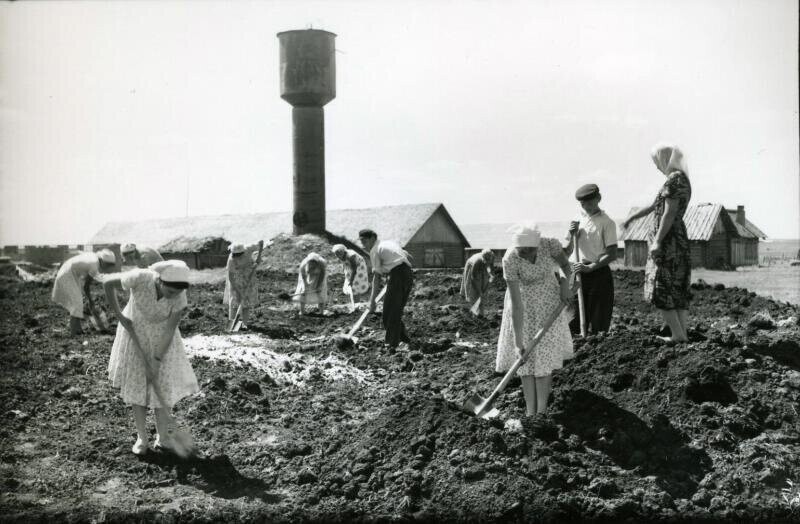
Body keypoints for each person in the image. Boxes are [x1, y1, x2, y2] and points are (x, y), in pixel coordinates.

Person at [103, 260, 200, 455]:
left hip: (163, 341)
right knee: (138, 385)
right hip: (135, 333)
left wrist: (156, 360)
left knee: (162, 387)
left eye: (177, 293)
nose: (174, 296)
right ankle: (142, 437)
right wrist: (121, 317)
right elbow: (107, 283)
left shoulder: (179, 298)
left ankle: (163, 437)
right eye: (170, 292)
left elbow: (170, 329)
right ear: (160, 281)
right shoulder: (139, 277)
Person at [496, 225, 576, 416]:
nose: (523, 254)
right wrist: (517, 343)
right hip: (524, 306)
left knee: (544, 358)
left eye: (527, 251)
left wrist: (565, 284)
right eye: (520, 250)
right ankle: (530, 413)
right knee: (526, 360)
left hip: (549, 303)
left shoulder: (550, 246)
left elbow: (566, 266)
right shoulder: (510, 259)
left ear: (537, 246)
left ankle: (541, 412)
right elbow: (516, 304)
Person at [623, 144, 692, 343]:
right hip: (677, 239)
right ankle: (681, 334)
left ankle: (678, 335)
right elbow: (655, 205)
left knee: (662, 285)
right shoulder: (680, 179)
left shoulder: (674, 180)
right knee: (676, 287)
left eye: (657, 162)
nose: (656, 166)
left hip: (669, 241)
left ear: (665, 159)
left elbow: (669, 213)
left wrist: (657, 242)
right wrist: (632, 217)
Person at [564, 183, 618, 334]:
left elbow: (612, 254)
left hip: (598, 274)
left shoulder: (607, 223)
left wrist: (590, 267)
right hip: (577, 274)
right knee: (573, 320)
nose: (586, 206)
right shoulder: (577, 221)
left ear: (598, 198)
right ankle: (575, 355)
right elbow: (567, 251)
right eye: (583, 203)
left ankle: (595, 354)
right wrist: (572, 235)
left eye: (589, 202)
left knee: (598, 322)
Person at [358, 229, 413, 349]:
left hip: (397, 275)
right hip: (407, 274)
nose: (363, 245)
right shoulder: (388, 243)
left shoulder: (375, 250)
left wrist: (372, 302)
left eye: (365, 241)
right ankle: (405, 340)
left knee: (389, 313)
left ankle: (391, 345)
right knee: (395, 311)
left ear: (372, 238)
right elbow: (405, 254)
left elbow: (376, 279)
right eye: (361, 242)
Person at [52, 249, 117, 335]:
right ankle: (74, 332)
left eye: (110, 265)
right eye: (108, 265)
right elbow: (86, 286)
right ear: (102, 260)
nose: (108, 267)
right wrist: (91, 301)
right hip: (67, 274)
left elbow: (92, 278)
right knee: (77, 303)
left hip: (69, 272)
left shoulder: (94, 258)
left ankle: (78, 330)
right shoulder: (94, 265)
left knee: (78, 303)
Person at [223, 241, 264, 329]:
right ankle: (232, 323)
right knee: (234, 302)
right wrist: (238, 292)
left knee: (246, 302)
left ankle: (244, 324)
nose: (237, 257)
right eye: (235, 255)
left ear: (243, 252)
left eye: (239, 255)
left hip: (249, 278)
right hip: (236, 280)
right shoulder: (231, 260)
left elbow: (261, 243)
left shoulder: (249, 248)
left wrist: (259, 256)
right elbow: (231, 278)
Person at [460, 249, 495, 317]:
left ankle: (481, 314)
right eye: (486, 261)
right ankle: (474, 313)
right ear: (483, 259)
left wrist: (485, 288)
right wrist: (479, 292)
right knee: (473, 291)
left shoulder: (492, 257)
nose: (487, 262)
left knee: (484, 286)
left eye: (489, 261)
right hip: (471, 265)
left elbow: (491, 275)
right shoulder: (477, 262)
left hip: (482, 267)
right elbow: (473, 279)